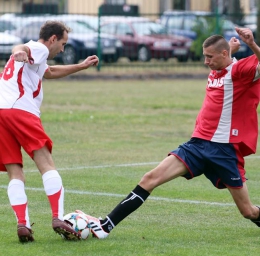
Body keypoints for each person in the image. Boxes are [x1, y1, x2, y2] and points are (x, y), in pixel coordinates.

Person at [79, 27, 260, 239]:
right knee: (150, 178)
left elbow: (236, 63)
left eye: (209, 57)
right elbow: (223, 56)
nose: (205, 62)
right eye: (204, 57)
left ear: (223, 55)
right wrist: (230, 49)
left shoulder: (239, 72)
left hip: (223, 150)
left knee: (248, 211)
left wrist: (252, 45)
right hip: (197, 144)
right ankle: (104, 227)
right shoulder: (219, 65)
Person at [0, 20, 99, 242]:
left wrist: (80, 66)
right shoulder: (39, 48)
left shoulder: (39, 58)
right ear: (53, 39)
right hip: (21, 111)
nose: (63, 49)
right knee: (46, 164)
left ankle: (23, 225)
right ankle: (57, 218)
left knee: (15, 172)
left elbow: (50, 71)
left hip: (1, 112)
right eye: (62, 43)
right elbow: (21, 48)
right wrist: (18, 52)